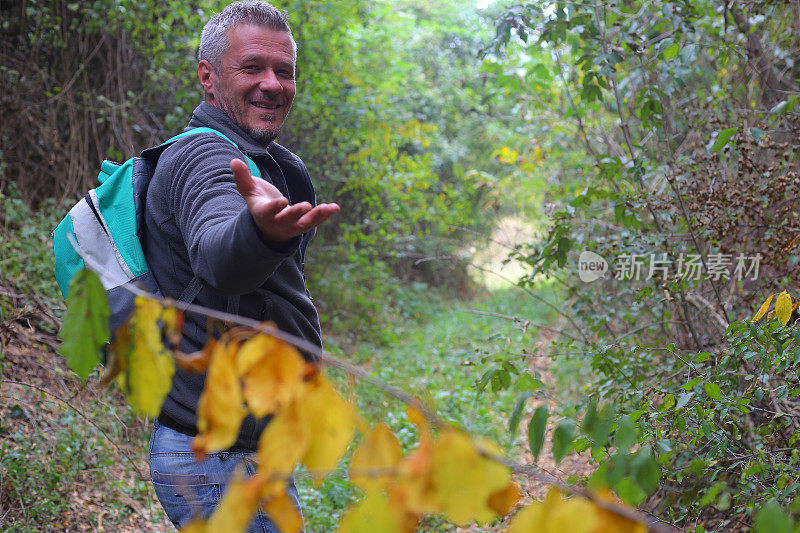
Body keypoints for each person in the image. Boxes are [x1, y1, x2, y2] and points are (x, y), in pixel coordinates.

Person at [143, 2, 338, 530]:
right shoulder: (204, 158)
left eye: (285, 71)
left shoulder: (262, 159)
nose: (272, 84)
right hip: (220, 458)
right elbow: (219, 254)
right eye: (252, 68)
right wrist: (257, 234)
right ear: (209, 77)